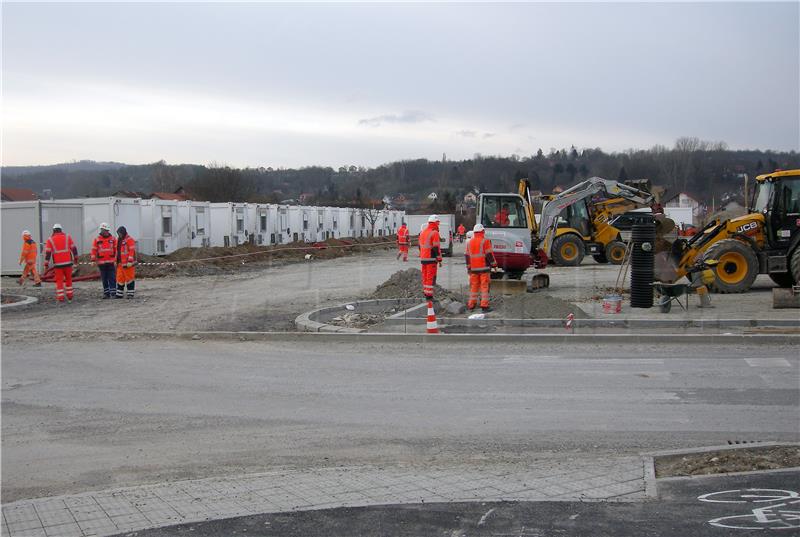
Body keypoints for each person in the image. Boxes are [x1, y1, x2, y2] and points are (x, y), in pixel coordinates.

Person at [465, 224, 497, 312]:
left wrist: (469, 268)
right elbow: (489, 254)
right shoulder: (485, 241)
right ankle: (484, 306)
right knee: (484, 287)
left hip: (473, 269)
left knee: (474, 287)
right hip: (484, 268)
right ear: (482, 231)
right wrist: (494, 265)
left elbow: (467, 256)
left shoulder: (469, 242)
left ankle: (471, 305)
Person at [44, 224, 78, 303]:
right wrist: (76, 259)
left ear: (53, 230)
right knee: (68, 279)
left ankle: (61, 298)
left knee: (59, 281)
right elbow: (74, 248)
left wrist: (46, 264)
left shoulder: (50, 240)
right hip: (68, 263)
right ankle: (70, 296)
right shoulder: (67, 237)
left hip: (58, 265)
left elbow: (48, 253)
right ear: (61, 230)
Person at [419, 214, 443, 300]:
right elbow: (436, 247)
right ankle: (429, 296)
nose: (438, 224)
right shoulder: (434, 232)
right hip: (431, 258)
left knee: (425, 276)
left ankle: (426, 293)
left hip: (423, 258)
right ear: (435, 223)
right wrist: (439, 259)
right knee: (430, 277)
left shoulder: (423, 232)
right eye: (438, 223)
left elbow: (420, 247)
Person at [91, 223, 117, 298]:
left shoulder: (113, 239)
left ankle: (113, 293)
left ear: (108, 230)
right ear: (101, 230)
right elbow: (93, 250)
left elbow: (116, 251)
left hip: (111, 262)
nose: (105, 232)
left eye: (106, 230)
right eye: (103, 230)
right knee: (104, 279)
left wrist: (116, 260)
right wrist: (93, 260)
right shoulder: (97, 239)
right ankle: (106, 293)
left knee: (112, 278)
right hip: (101, 263)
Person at [116, 226, 137, 299]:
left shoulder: (129, 240)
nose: (119, 235)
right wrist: (115, 261)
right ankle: (119, 294)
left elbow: (132, 251)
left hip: (128, 264)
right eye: (118, 233)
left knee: (129, 279)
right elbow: (117, 252)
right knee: (120, 279)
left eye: (120, 233)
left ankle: (130, 294)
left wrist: (130, 261)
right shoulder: (118, 240)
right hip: (120, 264)